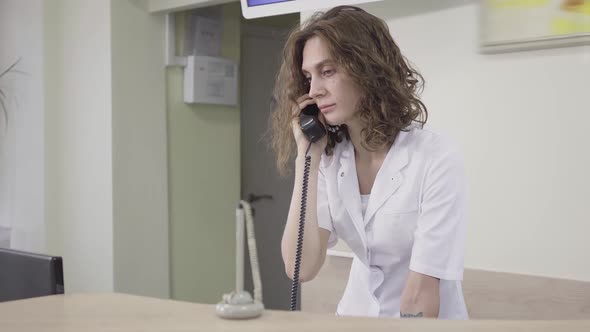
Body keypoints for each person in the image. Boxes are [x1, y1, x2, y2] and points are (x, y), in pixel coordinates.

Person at [270, 6, 468, 319]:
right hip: (355, 317)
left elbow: (420, 296)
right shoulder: (329, 158)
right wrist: (306, 157)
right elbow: (301, 268)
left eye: (328, 71)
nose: (314, 90)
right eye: (309, 77)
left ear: (367, 68)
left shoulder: (435, 157)